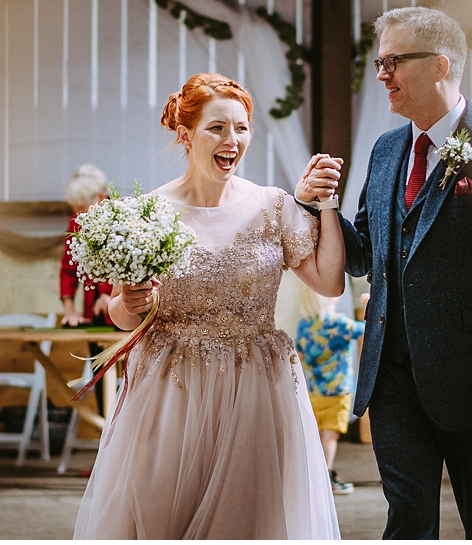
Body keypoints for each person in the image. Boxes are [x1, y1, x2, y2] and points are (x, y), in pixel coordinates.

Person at [296, 7, 472, 539]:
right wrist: (317, 206)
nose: (381, 75)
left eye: (393, 61)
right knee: (407, 519)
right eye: (379, 62)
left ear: (440, 65)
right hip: (391, 379)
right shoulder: (388, 149)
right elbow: (366, 253)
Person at [73, 73, 345, 539]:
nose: (232, 141)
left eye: (241, 128)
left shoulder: (274, 206)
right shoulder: (147, 212)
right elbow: (120, 313)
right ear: (186, 134)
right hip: (171, 387)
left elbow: (330, 281)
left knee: (253, 519)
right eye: (217, 128)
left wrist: (326, 205)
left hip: (258, 385)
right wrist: (133, 302)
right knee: (163, 516)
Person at [296, 286, 369, 495]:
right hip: (338, 391)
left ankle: (315, 477)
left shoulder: (305, 326)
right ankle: (326, 478)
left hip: (314, 391)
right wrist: (367, 305)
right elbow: (367, 329)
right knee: (330, 437)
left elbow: (298, 353)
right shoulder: (339, 323)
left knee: (318, 436)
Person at [60, 164, 114, 329]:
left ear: (101, 197)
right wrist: (69, 310)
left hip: (124, 313)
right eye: (74, 208)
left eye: (82, 208)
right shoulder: (76, 223)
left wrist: (111, 297)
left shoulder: (123, 219)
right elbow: (68, 269)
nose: (77, 214)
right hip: (92, 312)